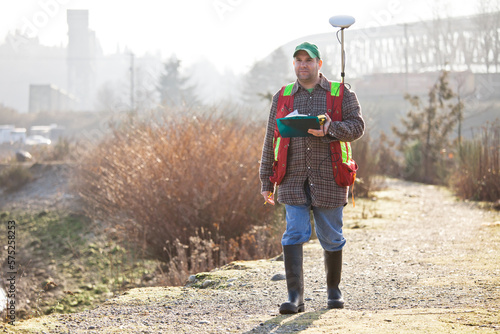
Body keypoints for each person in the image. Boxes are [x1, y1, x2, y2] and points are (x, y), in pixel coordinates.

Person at [259, 42, 365, 314]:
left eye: (308, 60)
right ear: (293, 64)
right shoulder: (281, 96)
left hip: (330, 176)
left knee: (331, 236)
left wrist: (331, 128)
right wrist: (265, 181)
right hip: (291, 178)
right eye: (298, 60)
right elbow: (271, 137)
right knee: (294, 232)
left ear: (319, 64)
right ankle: (295, 297)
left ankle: (334, 291)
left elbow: (357, 128)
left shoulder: (341, 93)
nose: (303, 65)